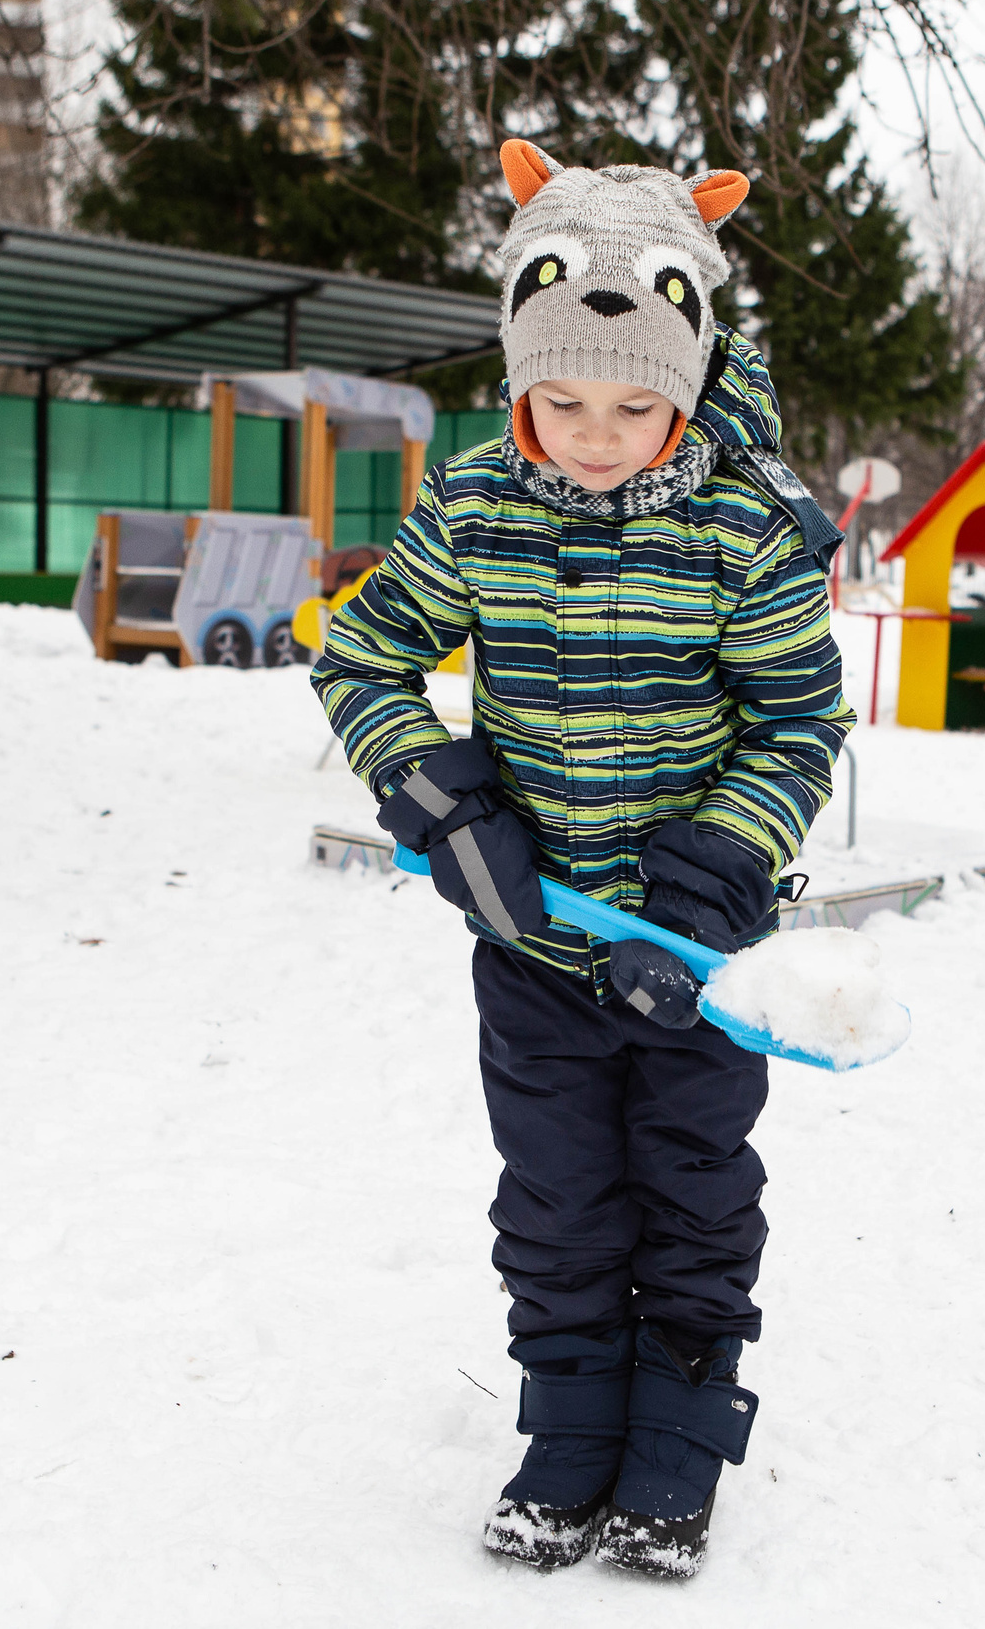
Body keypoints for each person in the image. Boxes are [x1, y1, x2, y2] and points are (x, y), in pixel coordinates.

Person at [310, 139, 852, 1579]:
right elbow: (359, 655)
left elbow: (802, 721)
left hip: (691, 954)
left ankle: (675, 1451)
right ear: (514, 384)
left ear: (685, 382)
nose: (597, 433)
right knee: (554, 1197)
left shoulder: (743, 532)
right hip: (537, 951)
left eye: (633, 403)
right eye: (561, 401)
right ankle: (566, 1435)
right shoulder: (476, 505)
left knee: (693, 1186)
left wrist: (719, 873)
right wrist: (442, 802)